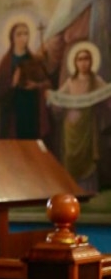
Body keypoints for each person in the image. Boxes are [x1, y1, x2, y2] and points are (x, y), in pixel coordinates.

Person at [41, 0, 111, 87]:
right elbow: (57, 39)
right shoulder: (67, 2)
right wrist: (44, 50)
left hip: (101, 60)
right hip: (71, 63)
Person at [45, 41, 111, 191]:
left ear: (91, 61)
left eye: (86, 59)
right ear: (75, 63)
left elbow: (107, 96)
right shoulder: (70, 82)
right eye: (80, 59)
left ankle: (88, 189)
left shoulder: (96, 81)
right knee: (70, 155)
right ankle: (71, 188)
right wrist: (51, 97)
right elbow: (58, 99)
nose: (83, 63)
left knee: (87, 158)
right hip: (71, 126)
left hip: (88, 126)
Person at [0, 21, 52, 140]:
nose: (23, 37)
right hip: (14, 112)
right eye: (19, 34)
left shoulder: (34, 60)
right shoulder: (6, 63)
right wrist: (12, 84)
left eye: (26, 34)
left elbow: (48, 84)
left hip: (32, 109)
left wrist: (36, 86)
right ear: (12, 38)